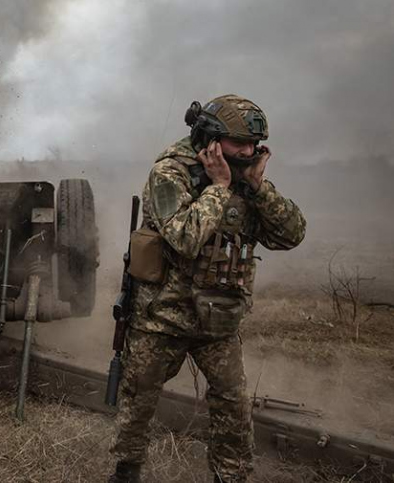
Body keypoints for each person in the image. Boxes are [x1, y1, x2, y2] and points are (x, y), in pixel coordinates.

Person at [108, 95, 306, 483]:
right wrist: (218, 187)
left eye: (254, 145)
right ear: (211, 140)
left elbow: (291, 236)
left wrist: (259, 188)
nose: (249, 152)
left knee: (233, 405)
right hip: (162, 315)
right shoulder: (171, 172)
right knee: (138, 400)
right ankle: (126, 471)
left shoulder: (245, 176)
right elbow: (184, 238)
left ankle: (229, 477)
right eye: (240, 144)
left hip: (218, 318)